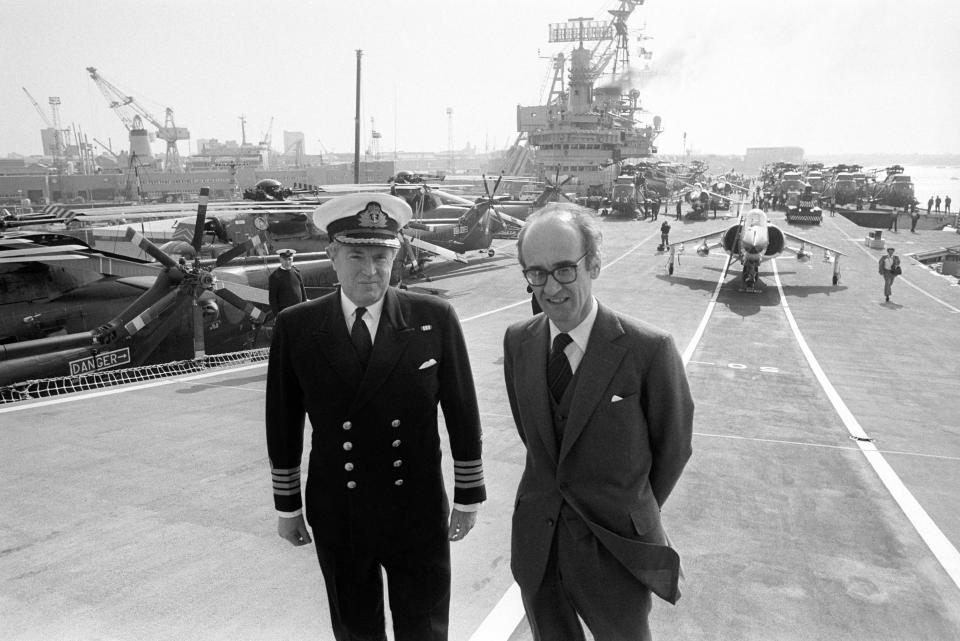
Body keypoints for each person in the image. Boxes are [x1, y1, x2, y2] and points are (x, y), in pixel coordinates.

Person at [265, 193, 486, 641]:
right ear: (332, 255)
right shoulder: (298, 327)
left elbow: (463, 411)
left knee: (424, 628)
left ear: (396, 255)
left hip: (416, 507)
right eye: (356, 255)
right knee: (355, 629)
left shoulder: (433, 317)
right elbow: (283, 424)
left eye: (381, 256)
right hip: (339, 510)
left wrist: (468, 496)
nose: (370, 270)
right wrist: (288, 508)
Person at [503, 203, 694, 641]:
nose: (550, 287)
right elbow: (535, 439)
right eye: (537, 273)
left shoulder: (649, 350)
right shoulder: (518, 341)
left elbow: (673, 448)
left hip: (616, 550)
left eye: (565, 269)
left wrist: (628, 509)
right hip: (539, 546)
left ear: (594, 264)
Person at [268, 248, 307, 316]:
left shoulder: (296, 272)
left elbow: (303, 292)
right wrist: (277, 316)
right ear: (280, 259)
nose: (287, 262)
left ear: (292, 259)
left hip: (299, 311)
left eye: (289, 259)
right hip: (285, 315)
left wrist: (305, 309)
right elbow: (272, 299)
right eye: (285, 259)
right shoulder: (275, 277)